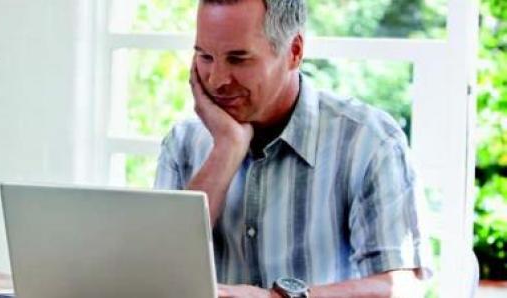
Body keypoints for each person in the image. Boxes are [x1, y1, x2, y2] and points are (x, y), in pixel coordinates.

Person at [154, 0, 432, 297]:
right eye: (205, 56)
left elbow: (401, 286)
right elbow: (157, 271)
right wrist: (226, 149)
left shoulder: (368, 142)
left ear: (294, 51)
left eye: (238, 59)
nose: (217, 79)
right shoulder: (183, 143)